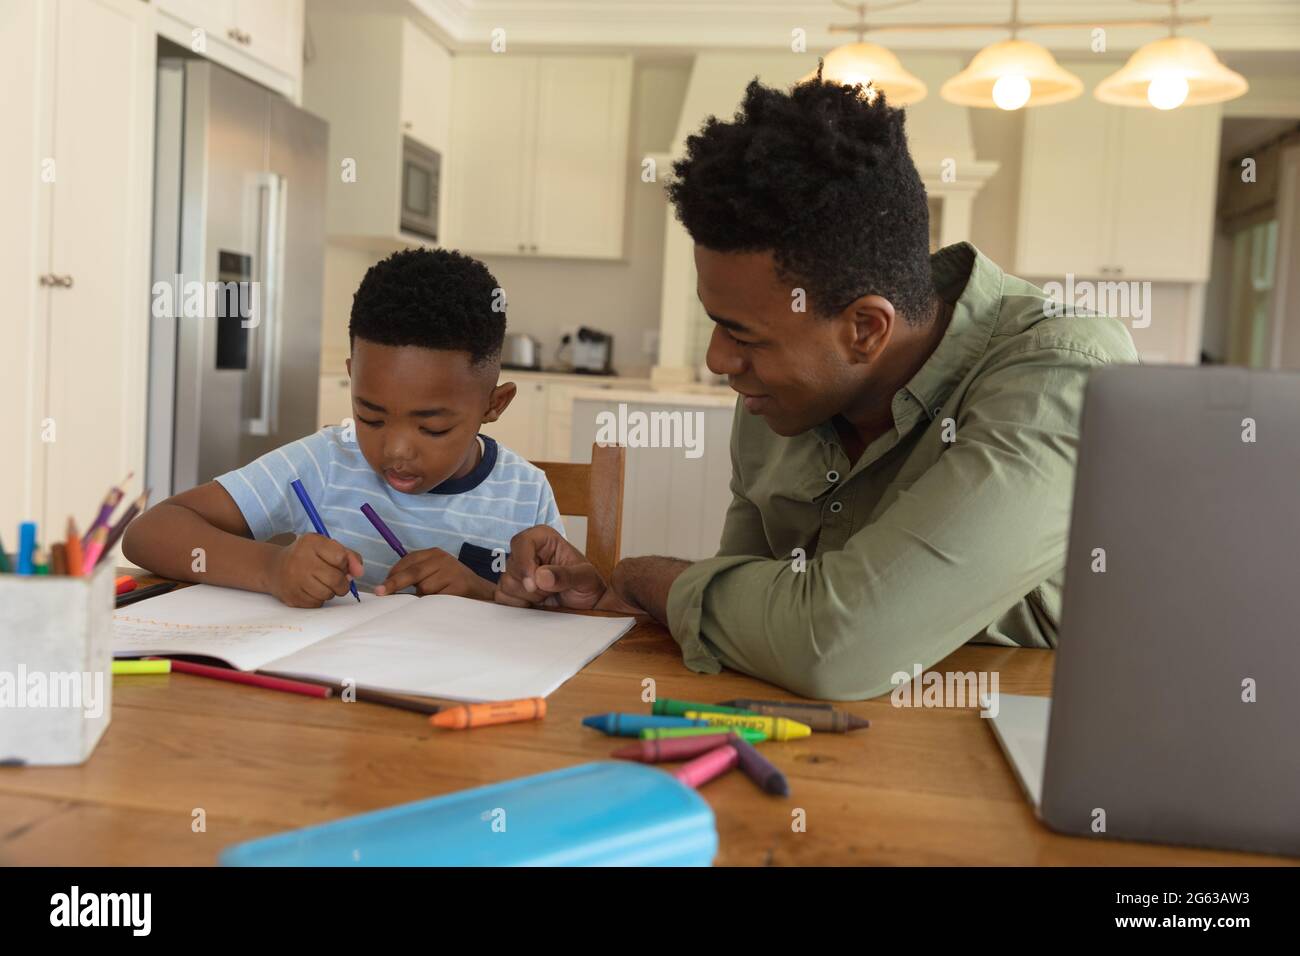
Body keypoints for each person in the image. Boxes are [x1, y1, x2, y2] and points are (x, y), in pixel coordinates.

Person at [495, 75, 1138, 700]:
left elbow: (835, 645)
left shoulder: (1062, 376)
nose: (720, 360)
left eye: (743, 335)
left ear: (865, 329)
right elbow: (748, 608)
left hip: (1014, 761)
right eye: (715, 326)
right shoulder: (775, 398)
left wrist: (638, 577)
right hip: (825, 753)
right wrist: (612, 591)